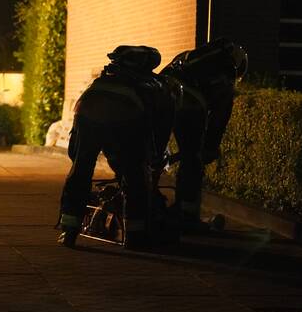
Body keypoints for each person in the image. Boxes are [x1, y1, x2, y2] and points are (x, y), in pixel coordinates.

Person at [57, 45, 179, 249]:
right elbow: (159, 130)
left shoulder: (103, 80)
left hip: (88, 115)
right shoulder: (158, 87)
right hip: (125, 121)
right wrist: (156, 157)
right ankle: (135, 235)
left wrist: (77, 154)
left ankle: (69, 230)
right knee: (134, 176)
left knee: (80, 170)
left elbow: (79, 128)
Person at [160, 38, 246, 233]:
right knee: (193, 160)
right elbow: (220, 115)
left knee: (155, 154)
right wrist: (210, 147)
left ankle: (148, 204)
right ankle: (188, 216)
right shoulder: (226, 72)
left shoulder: (186, 59)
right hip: (189, 104)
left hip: (163, 98)